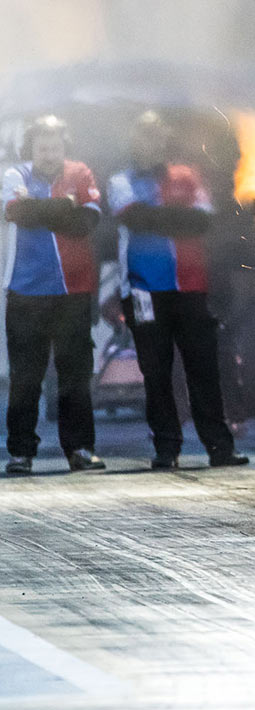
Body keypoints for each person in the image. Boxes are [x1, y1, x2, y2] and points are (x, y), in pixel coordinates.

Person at [107, 111, 249, 468]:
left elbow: (203, 220)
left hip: (190, 288)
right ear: (134, 142)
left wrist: (157, 217)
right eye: (143, 137)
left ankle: (220, 447)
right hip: (142, 290)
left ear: (164, 140)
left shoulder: (187, 176)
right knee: (156, 373)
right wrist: (178, 217)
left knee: (204, 368)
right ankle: (166, 449)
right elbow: (133, 218)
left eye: (156, 137)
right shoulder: (120, 181)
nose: (149, 144)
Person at [1, 116, 106, 474]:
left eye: (55, 148)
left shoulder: (81, 173)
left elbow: (85, 223)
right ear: (31, 149)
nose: (49, 154)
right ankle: (21, 452)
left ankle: (79, 449)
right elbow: (17, 213)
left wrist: (41, 207)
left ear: (65, 148)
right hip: (25, 291)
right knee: (25, 377)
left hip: (73, 292)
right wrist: (66, 204)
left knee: (75, 375)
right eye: (42, 148)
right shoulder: (14, 175)